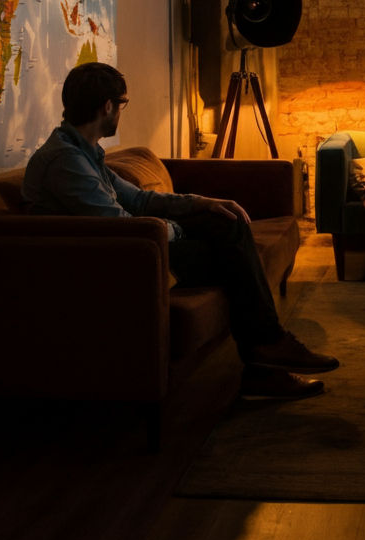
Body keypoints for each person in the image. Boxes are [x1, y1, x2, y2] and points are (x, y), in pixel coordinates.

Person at [22, 62, 338, 401]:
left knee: (226, 224)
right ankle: (267, 357)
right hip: (121, 261)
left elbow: (138, 199)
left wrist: (202, 202)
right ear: (108, 106)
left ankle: (267, 356)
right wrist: (177, 230)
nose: (121, 112)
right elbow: (118, 224)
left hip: (141, 244)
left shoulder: (86, 152)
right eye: (122, 104)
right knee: (235, 261)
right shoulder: (65, 161)